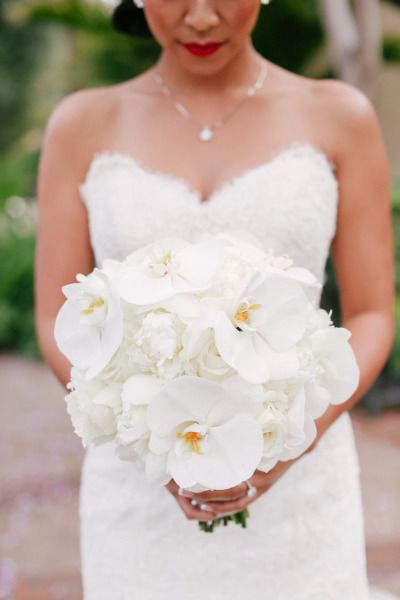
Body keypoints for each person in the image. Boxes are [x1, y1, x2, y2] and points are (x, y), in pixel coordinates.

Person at [34, 0, 396, 598]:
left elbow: (372, 314)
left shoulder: (339, 115)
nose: (201, 18)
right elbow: (56, 316)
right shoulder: (81, 123)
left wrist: (284, 447)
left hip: (303, 486)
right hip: (141, 492)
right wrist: (148, 433)